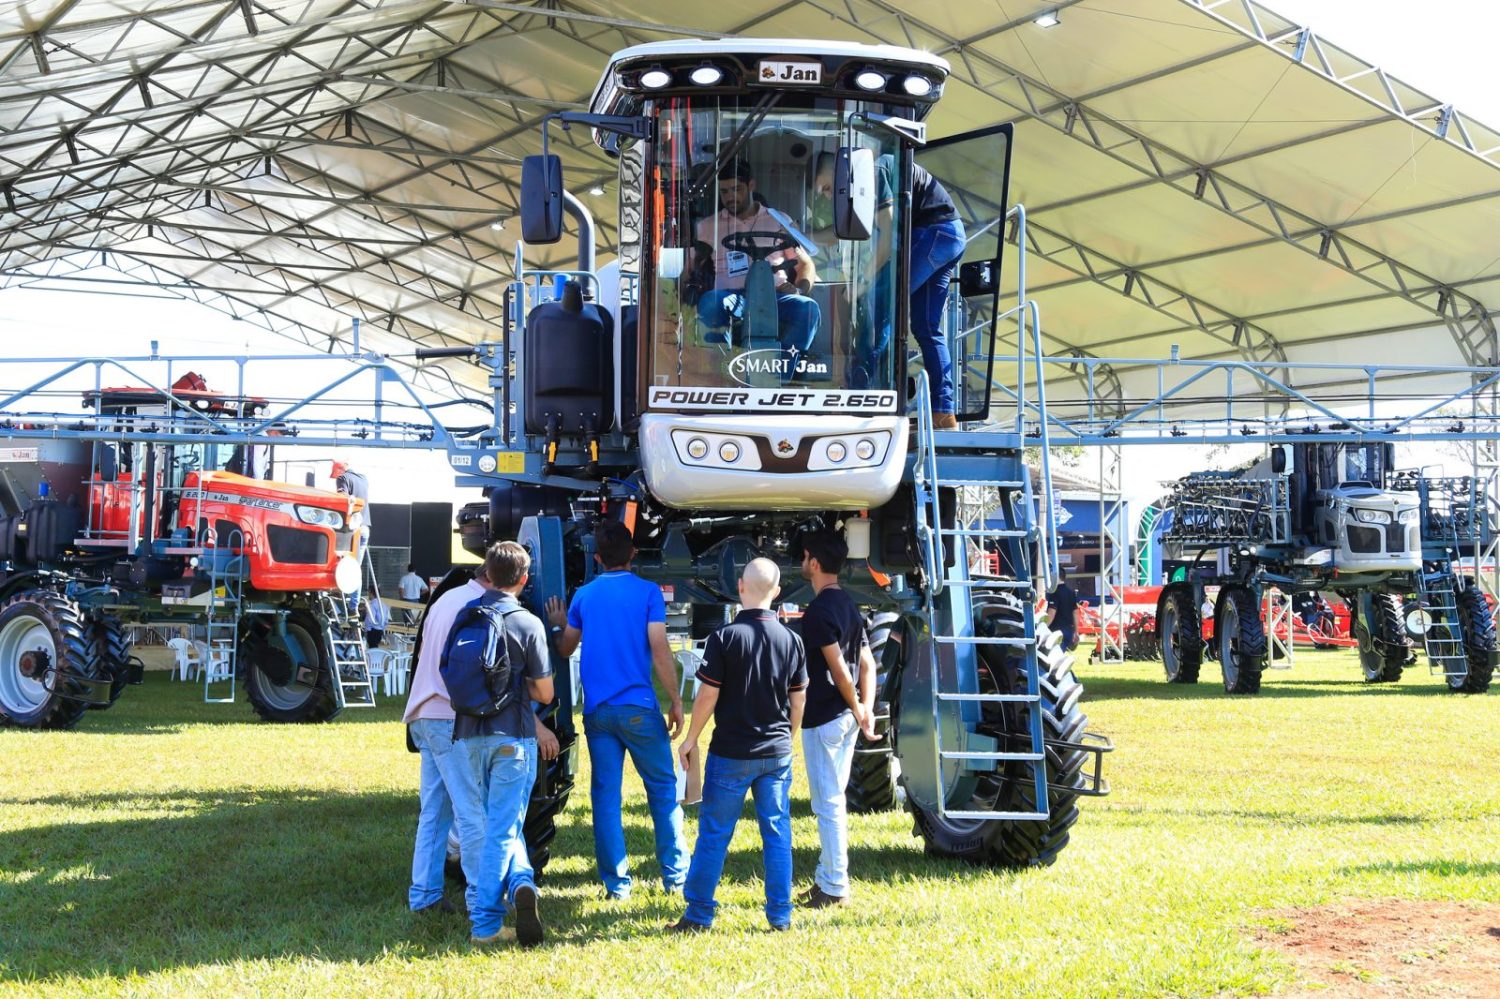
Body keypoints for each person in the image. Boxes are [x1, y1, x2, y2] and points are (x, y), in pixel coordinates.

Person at [401, 554, 558, 924]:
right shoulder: (480, 610)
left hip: (422, 714)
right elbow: (498, 685)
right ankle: (480, 902)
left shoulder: (446, 600)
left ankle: (424, 893)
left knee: (435, 811)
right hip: (452, 719)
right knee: (475, 815)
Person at [545, 521, 687, 900]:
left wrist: (559, 626)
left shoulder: (584, 596)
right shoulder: (648, 593)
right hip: (639, 708)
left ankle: (617, 886)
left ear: (597, 559)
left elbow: (564, 649)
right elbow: (659, 648)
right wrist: (674, 700)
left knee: (606, 798)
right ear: (633, 555)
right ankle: (676, 878)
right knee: (662, 791)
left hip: (599, 713)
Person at [670, 558, 808, 933]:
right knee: (777, 833)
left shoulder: (724, 638)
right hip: (776, 752)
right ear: (777, 593)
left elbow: (707, 696)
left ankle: (699, 914)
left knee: (714, 833)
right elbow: (798, 701)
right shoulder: (793, 640)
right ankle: (780, 916)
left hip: (731, 752)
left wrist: (690, 739)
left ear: (740, 588)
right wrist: (788, 738)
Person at [454, 541, 557, 948]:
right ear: (524, 579)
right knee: (503, 828)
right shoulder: (527, 623)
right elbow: (545, 693)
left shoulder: (466, 615)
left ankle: (520, 882)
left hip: (467, 734)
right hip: (513, 736)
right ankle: (485, 924)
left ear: (487, 575)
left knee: (487, 826)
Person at [814, 155, 966, 427]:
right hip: (949, 236)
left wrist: (863, 283)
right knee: (927, 328)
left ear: (838, 176)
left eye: (826, 189)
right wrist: (801, 234)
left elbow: (887, 237)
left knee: (882, 305)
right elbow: (841, 232)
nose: (826, 198)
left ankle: (862, 399)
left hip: (934, 233)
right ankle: (944, 413)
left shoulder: (873, 170)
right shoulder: (862, 182)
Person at [795, 530, 878, 909]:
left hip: (825, 717)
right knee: (833, 800)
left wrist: (858, 705)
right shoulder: (848, 605)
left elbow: (839, 670)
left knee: (827, 804)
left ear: (813, 562)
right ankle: (826, 877)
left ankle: (834, 886)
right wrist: (865, 709)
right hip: (846, 718)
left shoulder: (817, 613)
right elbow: (866, 663)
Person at [693, 160, 821, 373]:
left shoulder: (779, 220)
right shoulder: (707, 226)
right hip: (732, 297)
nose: (730, 197)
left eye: (736, 189)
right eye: (724, 191)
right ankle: (722, 376)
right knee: (710, 302)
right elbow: (689, 266)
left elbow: (805, 264)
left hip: (774, 296)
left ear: (751, 186)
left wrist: (798, 289)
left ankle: (781, 373)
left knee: (808, 309)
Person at [1047, 569, 1080, 651]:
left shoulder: (1054, 593)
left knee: (1052, 658)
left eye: (1051, 576)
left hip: (1056, 632)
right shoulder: (1071, 593)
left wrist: (1044, 627)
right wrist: (1076, 631)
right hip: (1068, 631)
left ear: (1055, 577)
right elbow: (1075, 613)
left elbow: (1051, 613)